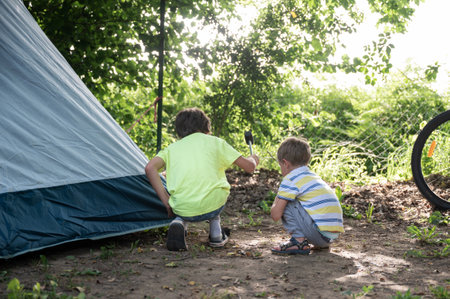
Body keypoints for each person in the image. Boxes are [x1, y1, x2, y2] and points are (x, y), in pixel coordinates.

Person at [145, 107, 259, 251]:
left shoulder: (171, 149)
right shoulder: (216, 142)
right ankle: (216, 233)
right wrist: (253, 159)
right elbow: (249, 167)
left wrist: (166, 201)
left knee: (182, 200)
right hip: (213, 205)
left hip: (182, 207)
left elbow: (150, 168)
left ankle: (179, 222)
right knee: (216, 190)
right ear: (206, 127)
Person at [270, 137, 344, 255]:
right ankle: (311, 242)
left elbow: (275, 215)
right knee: (294, 199)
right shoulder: (312, 177)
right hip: (330, 238)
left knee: (288, 201)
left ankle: (299, 242)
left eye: (280, 165)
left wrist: (280, 194)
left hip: (318, 235)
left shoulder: (291, 179)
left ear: (285, 163)